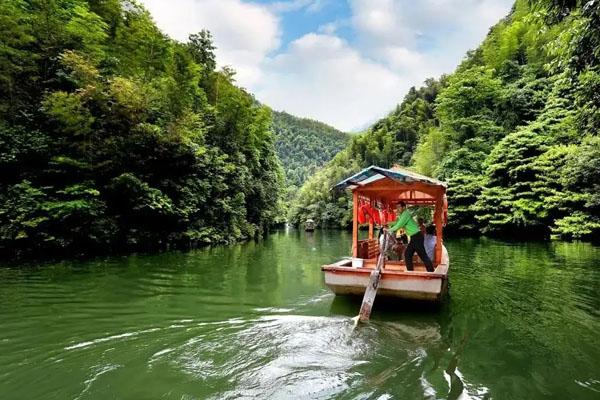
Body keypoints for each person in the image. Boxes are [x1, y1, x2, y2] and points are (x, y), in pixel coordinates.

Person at [387, 202, 434, 272]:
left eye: (399, 207)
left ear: (404, 207)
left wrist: (388, 230)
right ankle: (410, 271)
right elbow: (396, 223)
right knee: (407, 254)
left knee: (422, 255)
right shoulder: (402, 215)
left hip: (417, 236)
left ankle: (431, 272)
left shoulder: (406, 214)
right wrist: (387, 223)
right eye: (397, 207)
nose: (398, 209)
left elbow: (398, 226)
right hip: (414, 237)